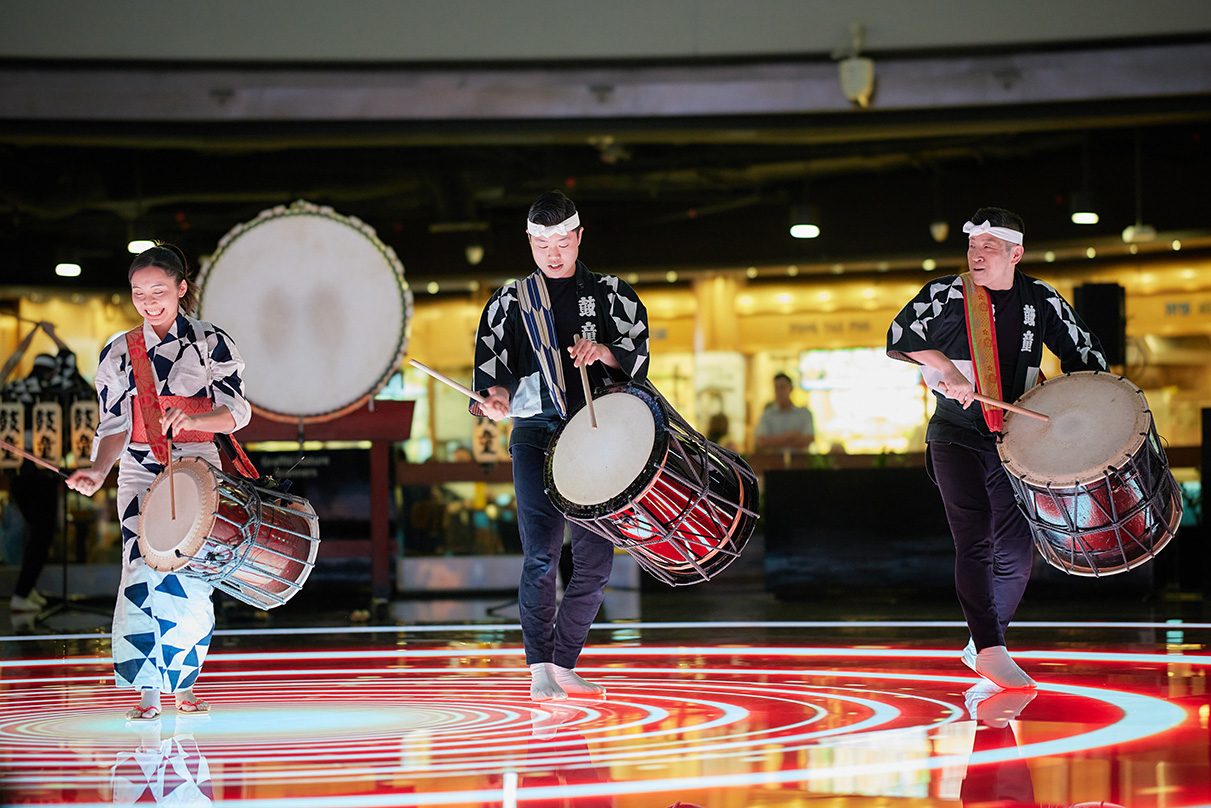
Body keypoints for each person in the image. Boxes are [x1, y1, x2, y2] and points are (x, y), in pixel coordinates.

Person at [886, 207, 1107, 689]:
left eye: (989, 247)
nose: (977, 255)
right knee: (976, 539)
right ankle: (990, 648)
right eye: (973, 247)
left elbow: (1087, 356)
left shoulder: (1040, 299)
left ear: (1015, 254)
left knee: (1017, 550)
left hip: (1015, 441)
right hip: (955, 434)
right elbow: (900, 335)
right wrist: (947, 370)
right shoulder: (947, 292)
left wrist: (1088, 409)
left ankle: (984, 643)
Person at [471, 190, 649, 701]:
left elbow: (637, 357)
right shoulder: (509, 301)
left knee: (595, 560)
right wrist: (496, 399)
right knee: (541, 556)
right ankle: (538, 669)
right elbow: (491, 376)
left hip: (594, 432)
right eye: (542, 244)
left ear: (579, 237)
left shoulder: (612, 294)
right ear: (529, 242)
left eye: (563, 243)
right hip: (535, 431)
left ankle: (563, 662)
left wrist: (605, 351)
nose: (553, 253)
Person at [66, 244, 251, 720]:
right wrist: (98, 470)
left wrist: (194, 419)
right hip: (138, 468)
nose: (148, 302)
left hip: (197, 466)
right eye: (139, 293)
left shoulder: (212, 342)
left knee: (191, 575)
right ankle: (147, 693)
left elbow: (237, 412)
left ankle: (184, 686)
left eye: (158, 291)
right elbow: (113, 425)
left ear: (181, 288)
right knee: (139, 570)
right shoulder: (119, 351)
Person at [4, 322, 92, 613]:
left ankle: (27, 591)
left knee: (36, 531)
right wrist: (50, 332)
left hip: (17, 470)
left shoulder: (16, 387)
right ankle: (22, 593)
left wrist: (29, 335)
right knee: (43, 531)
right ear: (52, 371)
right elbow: (69, 358)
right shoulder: (58, 386)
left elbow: (9, 365)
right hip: (44, 469)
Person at [753, 373, 814, 451]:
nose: (779, 392)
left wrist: (773, 441)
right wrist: (790, 436)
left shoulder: (804, 414)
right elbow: (761, 442)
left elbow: (808, 440)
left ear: (791, 388)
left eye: (782, 387)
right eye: (776, 388)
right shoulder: (767, 415)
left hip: (798, 458)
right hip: (775, 458)